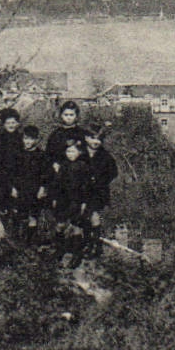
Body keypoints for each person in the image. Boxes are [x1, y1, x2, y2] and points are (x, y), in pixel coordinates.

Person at [49, 141, 94, 268]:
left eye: (73, 151)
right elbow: (57, 183)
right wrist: (55, 198)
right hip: (63, 199)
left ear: (79, 152)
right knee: (60, 224)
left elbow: (86, 186)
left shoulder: (83, 166)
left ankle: (76, 254)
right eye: (68, 151)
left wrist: (84, 202)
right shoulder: (63, 166)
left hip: (77, 199)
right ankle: (59, 250)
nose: (70, 154)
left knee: (76, 226)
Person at [80, 127, 119, 261]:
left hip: (98, 191)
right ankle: (86, 243)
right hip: (82, 190)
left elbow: (113, 172)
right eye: (93, 138)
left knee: (94, 214)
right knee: (84, 216)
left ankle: (95, 245)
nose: (96, 142)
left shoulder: (105, 156)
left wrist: (101, 180)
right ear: (86, 138)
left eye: (99, 139)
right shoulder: (80, 153)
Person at [9, 125, 50, 242]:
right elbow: (12, 172)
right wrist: (13, 188)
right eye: (26, 138)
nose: (28, 141)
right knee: (19, 213)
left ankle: (30, 240)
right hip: (20, 188)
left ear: (37, 140)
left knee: (33, 215)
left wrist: (42, 188)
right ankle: (17, 239)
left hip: (35, 189)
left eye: (31, 139)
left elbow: (45, 173)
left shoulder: (41, 155)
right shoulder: (17, 154)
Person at [0, 108, 26, 209]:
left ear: (17, 123)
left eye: (13, 122)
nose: (11, 125)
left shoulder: (23, 139)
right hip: (2, 178)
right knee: (4, 207)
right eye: (8, 123)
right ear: (3, 124)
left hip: (19, 177)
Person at [46, 100, 89, 166]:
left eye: (71, 115)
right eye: (66, 115)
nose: (68, 118)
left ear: (76, 116)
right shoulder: (56, 134)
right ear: (61, 116)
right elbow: (49, 153)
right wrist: (54, 163)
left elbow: (86, 154)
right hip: (60, 169)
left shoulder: (81, 133)